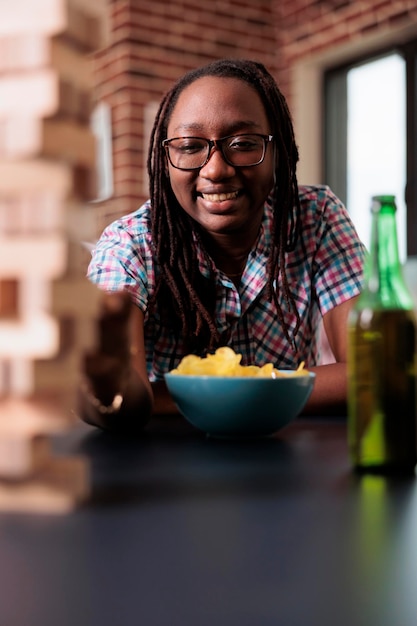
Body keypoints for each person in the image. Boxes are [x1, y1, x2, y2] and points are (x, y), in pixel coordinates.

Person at [80, 58, 366, 433]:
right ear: (165, 160)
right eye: (189, 146)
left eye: (244, 143)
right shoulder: (130, 244)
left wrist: (167, 396)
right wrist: (104, 384)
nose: (216, 169)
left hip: (289, 457)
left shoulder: (316, 216)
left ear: (277, 150)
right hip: (165, 469)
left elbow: (373, 372)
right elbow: (121, 402)